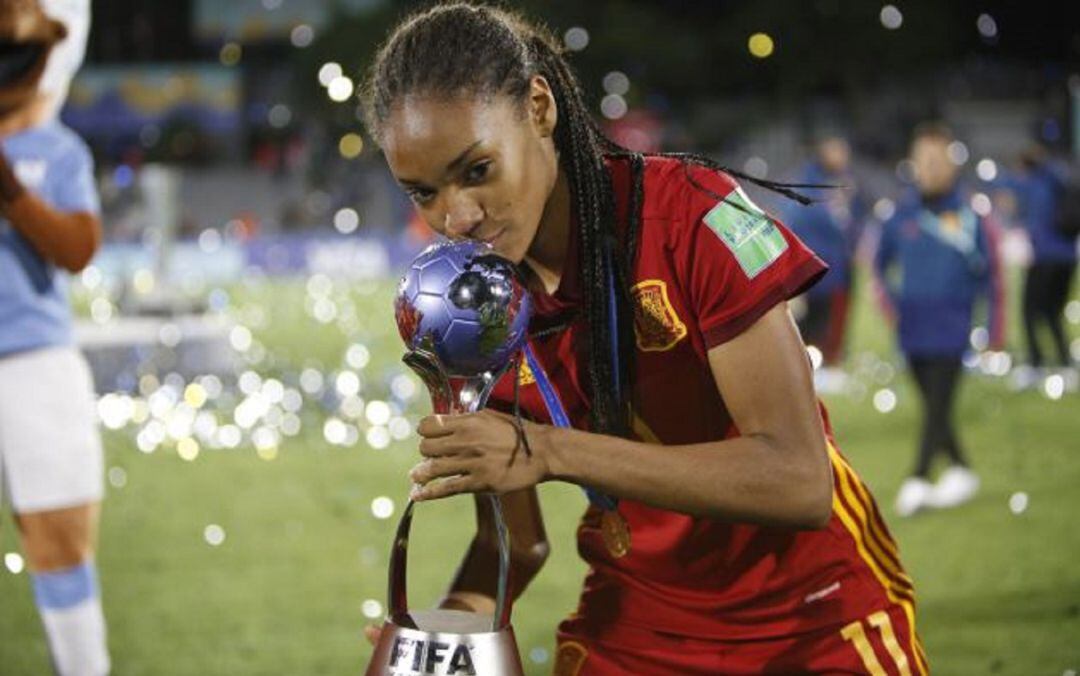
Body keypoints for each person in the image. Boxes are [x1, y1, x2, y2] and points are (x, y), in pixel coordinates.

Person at [363, 4, 926, 674]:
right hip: (639, 623)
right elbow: (514, 539)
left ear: (539, 108)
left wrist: (550, 450)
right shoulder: (455, 311)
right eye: (423, 192)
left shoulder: (689, 213)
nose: (455, 216)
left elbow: (798, 481)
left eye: (477, 170)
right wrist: (443, 644)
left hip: (810, 612)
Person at [0, 0, 110, 674]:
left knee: (59, 537)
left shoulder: (57, 151)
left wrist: (11, 190)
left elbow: (77, 248)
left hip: (32, 361)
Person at [874, 123, 1005, 518]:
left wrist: (995, 328)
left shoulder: (970, 214)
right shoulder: (900, 214)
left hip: (952, 326)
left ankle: (917, 478)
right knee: (935, 405)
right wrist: (894, 308)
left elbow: (993, 276)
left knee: (936, 407)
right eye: (922, 159)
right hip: (912, 328)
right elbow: (879, 267)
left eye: (937, 160)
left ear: (951, 163)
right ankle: (962, 469)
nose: (929, 168)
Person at [782, 133, 869, 390]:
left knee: (834, 317)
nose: (842, 157)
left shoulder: (843, 182)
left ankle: (829, 364)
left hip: (839, 265)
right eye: (836, 151)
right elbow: (801, 222)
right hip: (817, 267)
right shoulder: (809, 184)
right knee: (813, 319)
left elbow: (854, 221)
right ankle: (812, 368)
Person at [999, 143, 1077, 385]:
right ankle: (1065, 362)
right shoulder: (1060, 180)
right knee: (1053, 312)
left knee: (1029, 312)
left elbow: (1008, 193)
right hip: (1068, 258)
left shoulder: (1034, 185)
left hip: (1045, 258)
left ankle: (1035, 364)